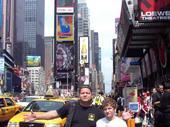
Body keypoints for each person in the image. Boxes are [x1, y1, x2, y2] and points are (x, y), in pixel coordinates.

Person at [24, 85, 104, 127]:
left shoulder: (98, 112)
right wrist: (37, 116)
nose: (85, 95)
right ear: (79, 95)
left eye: (87, 93)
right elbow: (53, 114)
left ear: (91, 95)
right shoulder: (70, 106)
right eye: (83, 93)